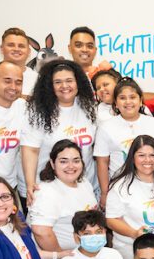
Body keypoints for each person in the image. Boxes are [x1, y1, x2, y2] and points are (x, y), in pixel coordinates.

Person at [21, 59, 98, 202]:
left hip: (84, 187)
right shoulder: (38, 111)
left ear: (78, 83)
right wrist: (30, 184)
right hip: (48, 189)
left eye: (69, 80)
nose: (64, 86)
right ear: (50, 86)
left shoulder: (89, 107)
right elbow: (30, 149)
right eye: (57, 82)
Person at [27, 140, 98, 259]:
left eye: (76, 160)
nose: (71, 166)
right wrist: (62, 257)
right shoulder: (46, 192)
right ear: (53, 164)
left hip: (83, 252)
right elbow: (41, 232)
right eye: (63, 161)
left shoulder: (84, 183)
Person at [106, 136, 154, 259]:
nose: (148, 160)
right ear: (132, 158)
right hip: (132, 245)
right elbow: (111, 220)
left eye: (152, 155)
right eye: (141, 155)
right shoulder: (120, 186)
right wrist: (135, 234)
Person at [94, 77, 154, 198]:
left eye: (132, 97)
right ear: (116, 103)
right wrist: (104, 193)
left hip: (152, 188)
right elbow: (102, 162)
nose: (128, 102)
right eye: (122, 98)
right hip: (119, 190)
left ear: (140, 101)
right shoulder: (106, 127)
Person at [0, 62, 28, 199]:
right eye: (7, 81)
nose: (13, 87)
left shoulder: (24, 108)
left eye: (18, 82)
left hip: (9, 186)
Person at [0, 27, 39, 97]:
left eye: (21, 46)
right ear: (2, 49)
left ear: (29, 51)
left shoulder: (37, 79)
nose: (16, 49)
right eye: (11, 45)